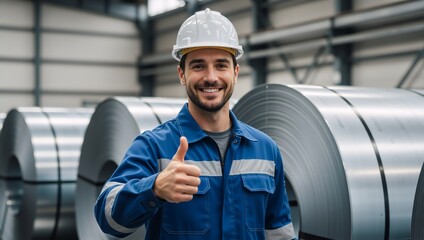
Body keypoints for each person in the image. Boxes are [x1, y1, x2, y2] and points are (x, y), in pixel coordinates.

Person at [94, 8, 296, 240]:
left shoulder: (265, 149)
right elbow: (107, 218)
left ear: (235, 72)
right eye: (198, 66)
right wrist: (155, 188)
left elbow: (279, 233)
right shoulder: (154, 146)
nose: (211, 77)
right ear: (182, 74)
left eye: (221, 65)